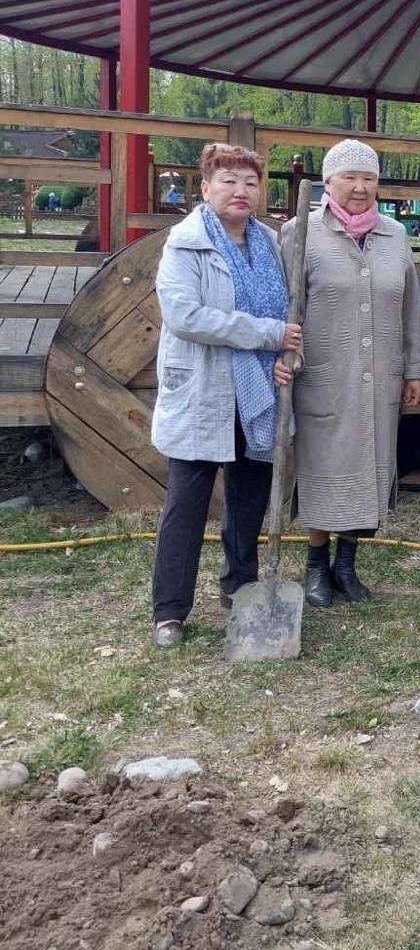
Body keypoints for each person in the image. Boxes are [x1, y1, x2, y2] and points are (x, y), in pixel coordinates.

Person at [149, 142, 301, 649]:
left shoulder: (269, 244)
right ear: (207, 187)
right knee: (187, 504)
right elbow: (187, 317)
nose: (241, 191)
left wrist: (285, 357)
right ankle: (170, 609)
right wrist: (268, 335)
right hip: (204, 392)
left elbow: (290, 323)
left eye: (251, 183)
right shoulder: (185, 244)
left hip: (257, 391)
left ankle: (241, 585)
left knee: (248, 499)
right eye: (229, 181)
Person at [282, 139, 420, 607]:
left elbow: (410, 308)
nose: (360, 187)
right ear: (328, 183)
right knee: (324, 472)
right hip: (324, 377)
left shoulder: (394, 235)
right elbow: (285, 307)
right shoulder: (299, 233)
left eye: (369, 178)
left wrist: (416, 369)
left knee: (370, 469)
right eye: (350, 178)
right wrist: (285, 355)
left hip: (381, 374)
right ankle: (316, 565)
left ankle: (348, 564)